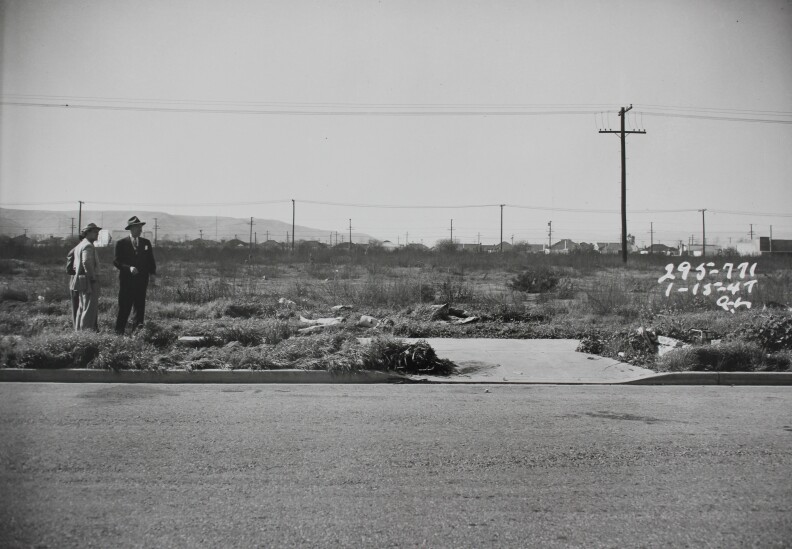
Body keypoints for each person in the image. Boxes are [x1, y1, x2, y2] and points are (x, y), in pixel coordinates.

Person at [113, 216, 157, 335]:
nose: (140, 229)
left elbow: (150, 260)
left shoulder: (146, 243)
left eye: (141, 227)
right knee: (124, 308)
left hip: (142, 282)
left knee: (139, 308)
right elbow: (117, 261)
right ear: (131, 228)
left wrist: (152, 274)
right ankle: (119, 334)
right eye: (138, 227)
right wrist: (129, 268)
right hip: (126, 282)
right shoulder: (121, 243)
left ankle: (137, 334)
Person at [71, 223, 101, 331]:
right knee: (89, 309)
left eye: (98, 232)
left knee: (82, 307)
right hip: (89, 280)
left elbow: (75, 265)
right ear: (87, 233)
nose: (97, 234)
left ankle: (79, 332)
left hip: (82, 279)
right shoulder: (88, 245)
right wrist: (92, 277)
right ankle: (86, 333)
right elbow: (86, 262)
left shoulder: (80, 245)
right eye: (95, 232)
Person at [66, 235, 84, 323]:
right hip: (75, 282)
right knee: (76, 306)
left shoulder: (86, 249)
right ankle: (76, 327)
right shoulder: (75, 250)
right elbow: (69, 270)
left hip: (82, 281)